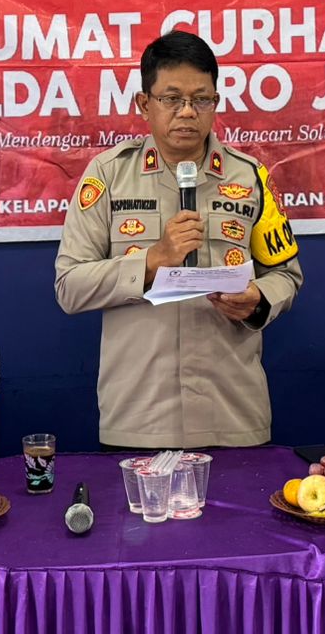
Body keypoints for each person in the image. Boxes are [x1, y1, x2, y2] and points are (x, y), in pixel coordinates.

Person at [54, 31, 303, 449]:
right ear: (144, 103)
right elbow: (69, 286)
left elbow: (286, 275)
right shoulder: (109, 174)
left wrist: (258, 300)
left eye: (201, 99)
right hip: (139, 416)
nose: (187, 112)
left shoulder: (249, 176)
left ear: (216, 102)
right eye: (171, 99)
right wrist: (152, 260)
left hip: (233, 412)